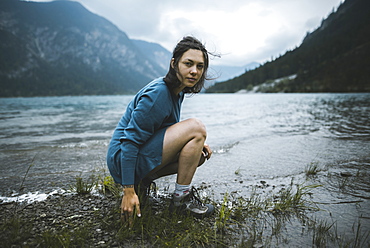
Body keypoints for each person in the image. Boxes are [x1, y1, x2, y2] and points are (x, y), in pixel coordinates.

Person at [106, 36, 215, 223]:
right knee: (197, 127)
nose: (194, 71)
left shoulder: (177, 92)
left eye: (200, 66)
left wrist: (196, 144)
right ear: (174, 63)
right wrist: (128, 190)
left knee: (198, 155)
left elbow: (162, 131)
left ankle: (145, 183)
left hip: (136, 156)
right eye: (188, 63)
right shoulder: (158, 94)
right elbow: (130, 141)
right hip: (121, 160)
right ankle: (179, 203)